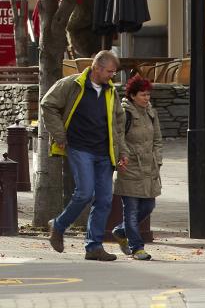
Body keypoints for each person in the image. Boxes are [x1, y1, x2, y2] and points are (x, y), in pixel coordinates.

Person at [39, 49, 128, 261]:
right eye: (109, 71)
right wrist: (59, 135)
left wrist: (122, 151)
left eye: (114, 72)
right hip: (80, 148)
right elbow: (47, 104)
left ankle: (93, 247)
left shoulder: (111, 92)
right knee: (85, 193)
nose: (111, 76)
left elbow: (118, 124)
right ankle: (58, 225)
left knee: (105, 199)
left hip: (104, 152)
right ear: (96, 67)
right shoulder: (71, 84)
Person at [112, 75, 163, 261]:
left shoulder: (151, 112)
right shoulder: (125, 113)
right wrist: (124, 157)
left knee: (149, 205)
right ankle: (137, 248)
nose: (147, 98)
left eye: (148, 94)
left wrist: (157, 159)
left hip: (149, 169)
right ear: (132, 95)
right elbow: (118, 138)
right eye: (143, 94)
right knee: (131, 210)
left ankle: (120, 231)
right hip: (130, 167)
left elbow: (157, 139)